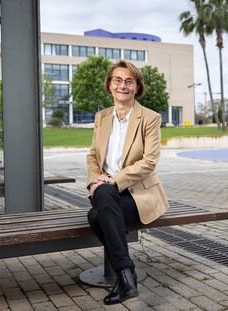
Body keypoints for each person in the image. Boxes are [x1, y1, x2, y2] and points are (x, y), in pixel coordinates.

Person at [86, 60, 169, 305]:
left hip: (139, 193)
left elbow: (149, 162)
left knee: (96, 214)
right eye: (118, 80)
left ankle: (125, 277)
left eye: (129, 81)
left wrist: (112, 180)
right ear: (110, 85)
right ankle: (126, 275)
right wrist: (94, 181)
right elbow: (92, 156)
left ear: (137, 87)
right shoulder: (101, 117)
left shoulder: (150, 118)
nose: (123, 85)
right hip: (107, 191)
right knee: (100, 201)